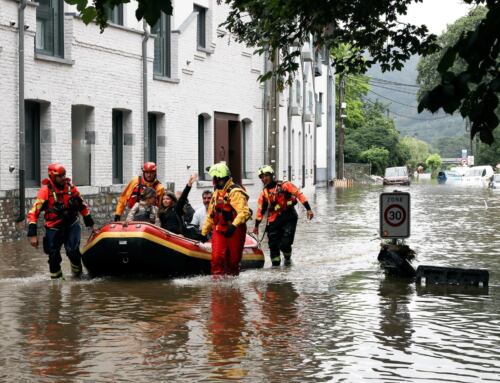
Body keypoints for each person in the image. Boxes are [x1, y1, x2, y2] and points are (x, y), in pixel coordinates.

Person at [27, 163, 95, 279]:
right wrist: (32, 234)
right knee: (53, 257)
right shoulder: (45, 191)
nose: (63, 178)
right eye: (60, 176)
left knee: (73, 252)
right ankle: (56, 285)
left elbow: (82, 206)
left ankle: (78, 276)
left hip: (71, 224)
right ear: (53, 177)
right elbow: (33, 212)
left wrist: (91, 225)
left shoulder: (71, 188)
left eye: (64, 175)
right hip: (53, 227)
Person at [253, 165, 314, 266]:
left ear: (272, 175)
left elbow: (299, 194)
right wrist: (256, 226)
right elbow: (260, 210)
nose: (264, 179)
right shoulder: (264, 194)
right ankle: (275, 270)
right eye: (262, 177)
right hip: (274, 220)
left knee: (284, 244)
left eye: (266, 176)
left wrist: (308, 209)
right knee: (273, 246)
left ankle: (287, 260)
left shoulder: (285, 185)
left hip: (289, 217)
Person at [201, 163, 251, 277]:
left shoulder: (235, 192)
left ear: (220, 178)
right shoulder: (216, 193)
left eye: (215, 178)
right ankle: (217, 287)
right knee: (216, 258)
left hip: (235, 230)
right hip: (219, 229)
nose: (213, 181)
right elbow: (210, 215)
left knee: (233, 261)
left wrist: (233, 226)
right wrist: (204, 233)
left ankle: (233, 288)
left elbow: (244, 212)